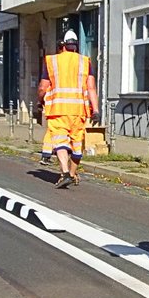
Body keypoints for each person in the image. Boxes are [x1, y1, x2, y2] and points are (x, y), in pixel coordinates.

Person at [38, 30, 99, 189]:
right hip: (79, 111)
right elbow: (91, 88)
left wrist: (40, 100)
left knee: (60, 142)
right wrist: (96, 110)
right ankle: (72, 174)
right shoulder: (85, 61)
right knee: (77, 145)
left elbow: (43, 88)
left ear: (62, 45)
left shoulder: (52, 61)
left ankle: (65, 173)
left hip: (58, 110)